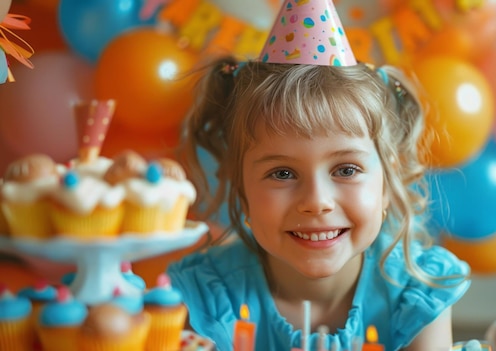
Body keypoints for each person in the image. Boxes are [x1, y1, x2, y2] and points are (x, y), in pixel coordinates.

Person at [167, 0, 471, 350]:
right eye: (282, 173)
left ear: (387, 182)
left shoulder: (416, 292)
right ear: (242, 188)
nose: (316, 202)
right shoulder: (211, 299)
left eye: (346, 169)